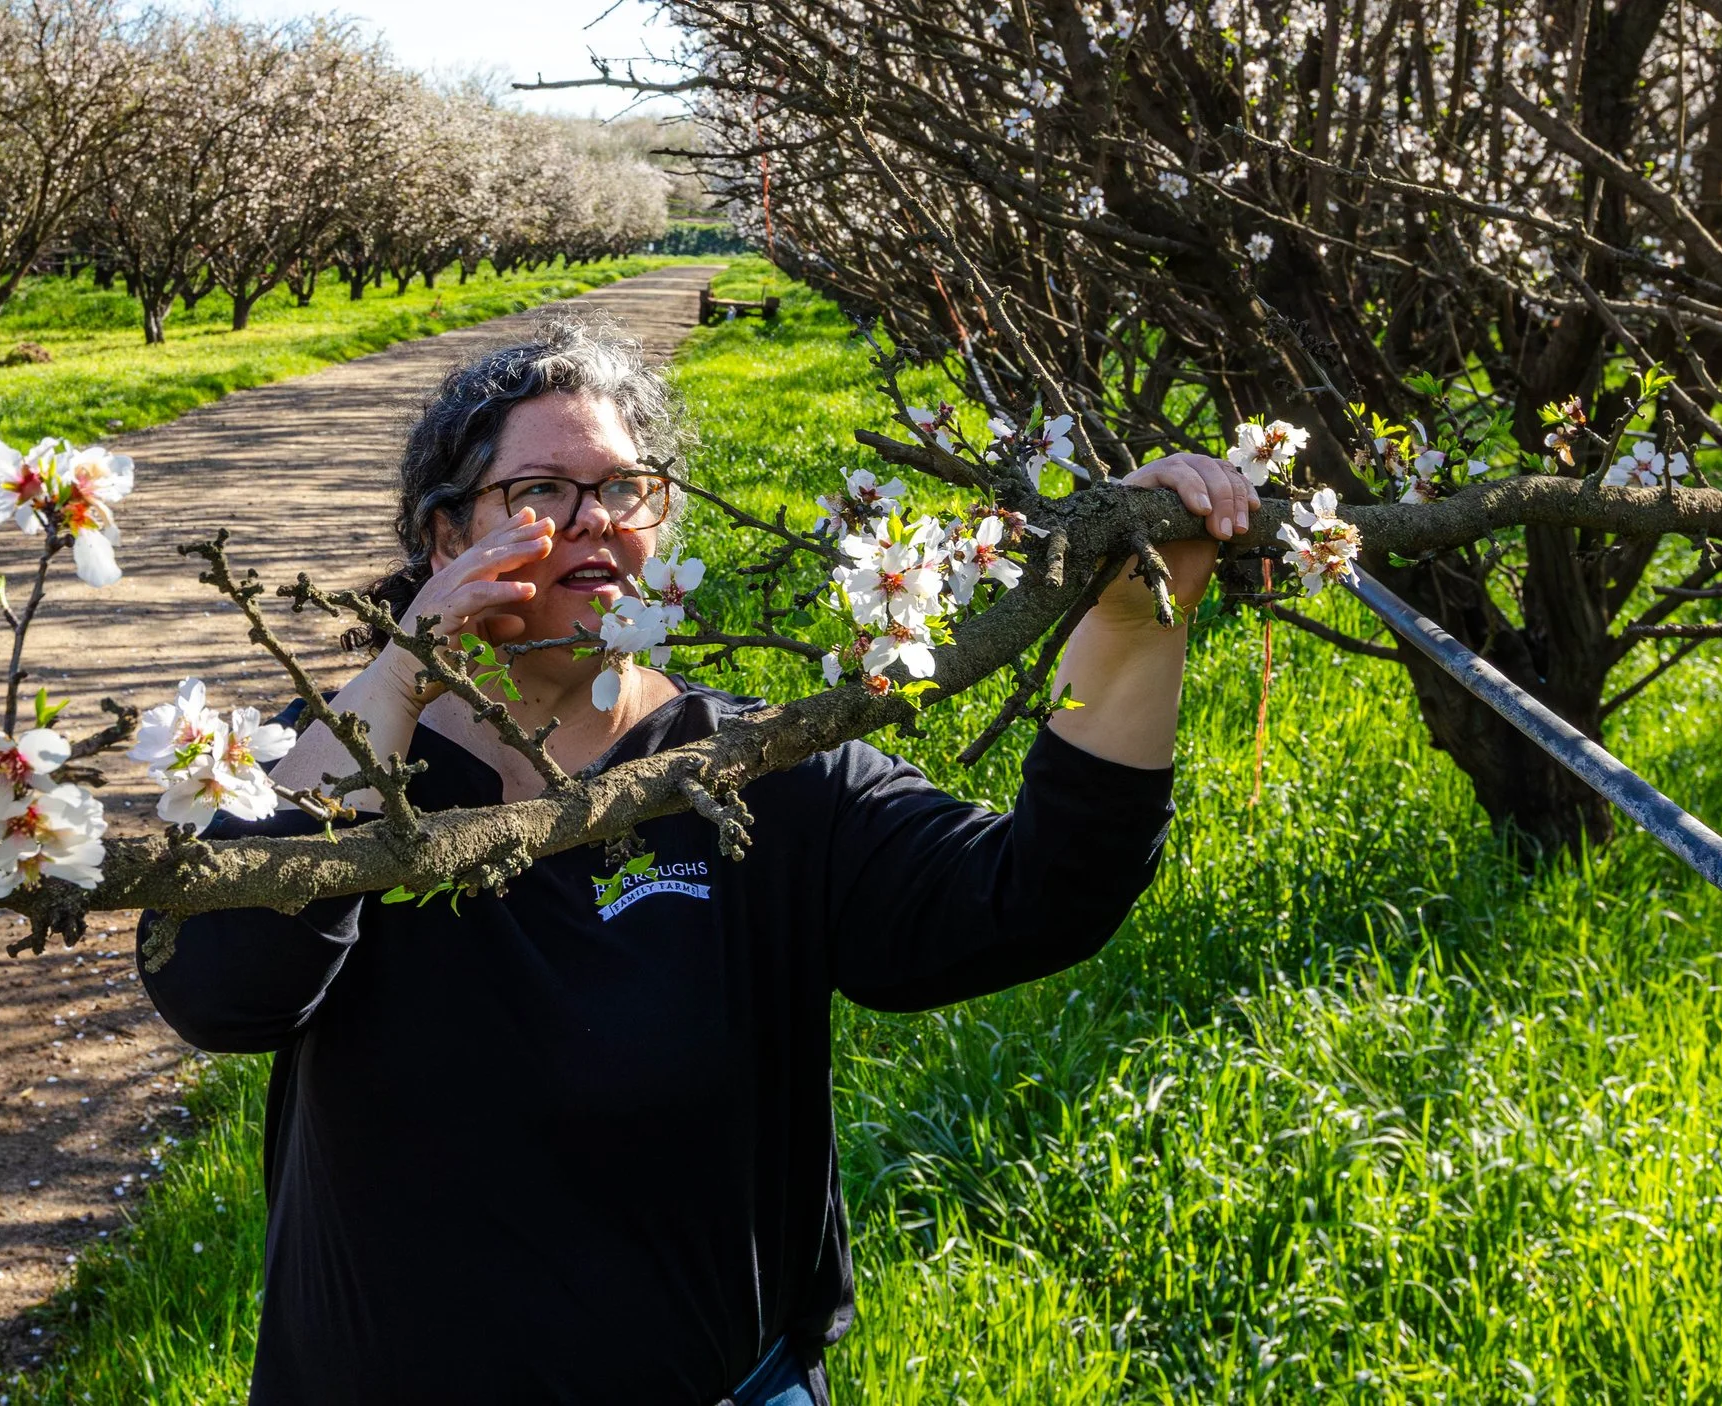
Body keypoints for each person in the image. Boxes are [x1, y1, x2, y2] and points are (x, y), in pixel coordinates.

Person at [138, 318, 1255, 1405]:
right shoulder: (337, 756)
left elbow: (1033, 896)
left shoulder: (754, 766)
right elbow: (225, 988)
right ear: (441, 539)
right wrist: (389, 683)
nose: (592, 523)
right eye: (537, 494)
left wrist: (1133, 626)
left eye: (625, 489)